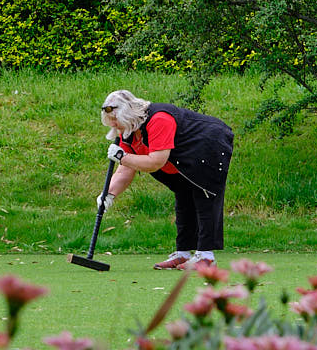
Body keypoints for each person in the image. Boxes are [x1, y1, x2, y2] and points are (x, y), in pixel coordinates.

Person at [99, 89, 234, 270]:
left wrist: (122, 157)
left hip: (208, 143)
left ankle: (206, 257)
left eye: (117, 121)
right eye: (112, 122)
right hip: (181, 160)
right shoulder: (129, 131)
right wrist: (108, 194)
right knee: (183, 196)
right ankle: (183, 254)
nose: (115, 126)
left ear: (128, 115)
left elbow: (155, 161)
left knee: (204, 194)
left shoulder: (159, 119)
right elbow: (125, 169)